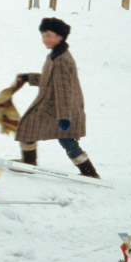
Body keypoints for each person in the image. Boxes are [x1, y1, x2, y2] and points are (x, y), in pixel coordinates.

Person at [14, 18, 99, 177]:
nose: (44, 39)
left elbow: (64, 91)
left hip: (60, 109)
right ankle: (29, 162)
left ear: (60, 37)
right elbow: (50, 81)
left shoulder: (61, 60)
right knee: (30, 128)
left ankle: (89, 172)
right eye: (43, 35)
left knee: (65, 139)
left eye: (48, 35)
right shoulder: (55, 55)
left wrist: (65, 117)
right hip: (55, 107)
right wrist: (30, 77)